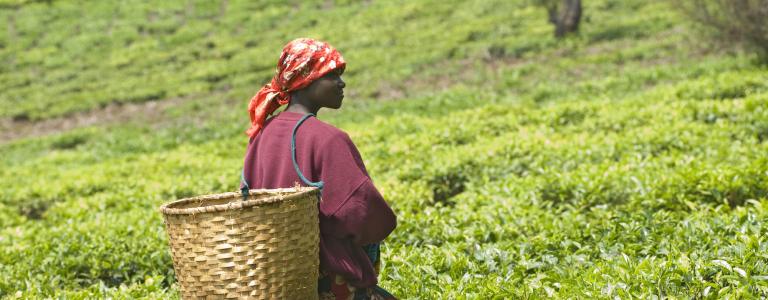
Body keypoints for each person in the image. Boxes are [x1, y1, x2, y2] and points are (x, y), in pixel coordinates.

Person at [241, 38, 398, 299]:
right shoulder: (329, 138)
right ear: (306, 80)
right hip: (325, 279)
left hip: (276, 278)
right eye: (331, 74)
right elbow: (361, 211)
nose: (341, 82)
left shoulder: (261, 135)